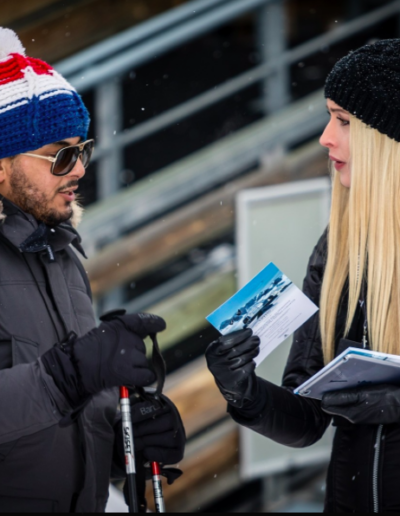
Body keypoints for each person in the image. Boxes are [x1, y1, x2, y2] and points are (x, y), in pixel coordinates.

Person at [206, 39, 400, 513]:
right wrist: (244, 391)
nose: (325, 138)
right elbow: (308, 418)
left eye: (344, 122)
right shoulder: (342, 247)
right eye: (329, 117)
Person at [0, 28, 185, 512]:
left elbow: (61, 412)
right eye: (61, 154)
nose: (79, 169)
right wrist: (64, 375)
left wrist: (126, 431)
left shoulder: (58, 251)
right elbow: (55, 386)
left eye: (82, 150)